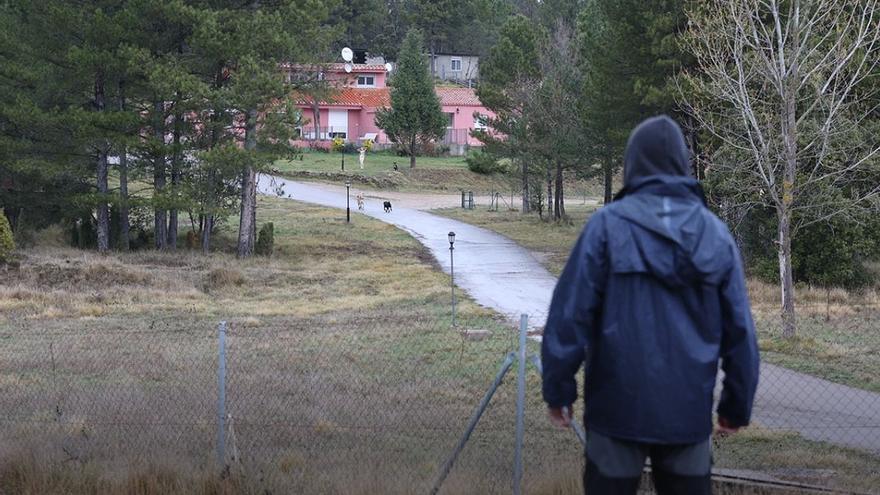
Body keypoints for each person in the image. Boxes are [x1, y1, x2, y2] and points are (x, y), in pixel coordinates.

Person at [541, 115, 760, 495]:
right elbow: (740, 333)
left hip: (615, 411)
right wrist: (735, 406)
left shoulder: (605, 228)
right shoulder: (715, 235)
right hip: (686, 415)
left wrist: (558, 391)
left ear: (632, 165)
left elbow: (568, 317)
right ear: (683, 166)